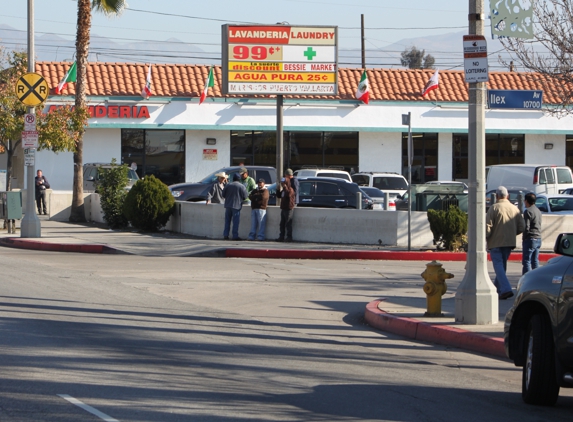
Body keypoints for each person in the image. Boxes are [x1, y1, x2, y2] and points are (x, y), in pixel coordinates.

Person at [486, 186, 525, 300]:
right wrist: (512, 234)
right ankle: (498, 290)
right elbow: (522, 227)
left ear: (497, 196)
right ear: (507, 196)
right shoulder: (515, 209)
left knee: (498, 266)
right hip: (509, 243)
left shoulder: (494, 208)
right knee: (502, 266)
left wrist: (486, 237)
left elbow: (488, 227)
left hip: (496, 242)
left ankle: (506, 289)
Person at [222, 173, 248, 240]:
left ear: (233, 178)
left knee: (227, 221)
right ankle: (235, 236)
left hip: (228, 205)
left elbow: (223, 194)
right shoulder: (242, 186)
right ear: (239, 179)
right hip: (236, 206)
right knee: (235, 222)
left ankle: (225, 235)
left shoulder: (228, 185)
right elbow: (245, 196)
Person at [522, 192, 542, 274]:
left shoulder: (528, 211)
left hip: (530, 238)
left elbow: (526, 227)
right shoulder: (538, 211)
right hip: (538, 238)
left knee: (527, 261)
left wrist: (524, 237)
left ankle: (526, 280)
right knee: (535, 261)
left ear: (526, 201)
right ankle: (536, 279)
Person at [277, 169, 296, 242]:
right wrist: (278, 190)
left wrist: (285, 187)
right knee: (282, 223)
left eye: (284, 183)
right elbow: (279, 196)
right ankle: (281, 236)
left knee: (288, 223)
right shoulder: (284, 190)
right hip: (283, 208)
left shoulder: (290, 189)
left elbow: (289, 195)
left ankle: (289, 237)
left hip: (289, 208)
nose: (282, 184)